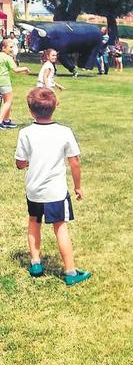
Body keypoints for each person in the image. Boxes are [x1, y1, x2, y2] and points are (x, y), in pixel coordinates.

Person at [15, 87, 91, 286]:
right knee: (60, 227)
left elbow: (20, 163)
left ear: (30, 111)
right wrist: (78, 186)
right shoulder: (64, 132)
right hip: (56, 192)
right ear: (55, 106)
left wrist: (28, 163)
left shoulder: (25, 133)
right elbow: (74, 162)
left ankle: (35, 263)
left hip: (33, 190)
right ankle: (70, 271)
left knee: (34, 221)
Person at [0, 38, 30, 130]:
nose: (12, 49)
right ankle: (1, 121)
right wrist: (25, 68)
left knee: (6, 102)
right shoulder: (7, 57)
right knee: (8, 102)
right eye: (10, 47)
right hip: (4, 82)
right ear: (3, 48)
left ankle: (7, 120)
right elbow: (15, 70)